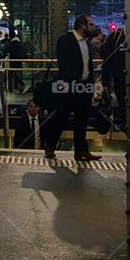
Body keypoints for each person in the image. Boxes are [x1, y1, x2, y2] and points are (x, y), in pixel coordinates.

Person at [44, 15, 102, 161]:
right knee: (61, 117)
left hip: (84, 87)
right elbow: (63, 63)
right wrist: (70, 83)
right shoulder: (66, 40)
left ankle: (81, 150)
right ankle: (50, 146)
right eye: (91, 24)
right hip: (69, 87)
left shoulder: (87, 43)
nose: (93, 26)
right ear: (82, 26)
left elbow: (87, 64)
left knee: (82, 119)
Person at [101, 20, 126, 126]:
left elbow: (107, 61)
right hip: (120, 81)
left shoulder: (115, 37)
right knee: (123, 106)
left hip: (120, 79)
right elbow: (107, 61)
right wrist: (105, 82)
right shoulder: (115, 37)